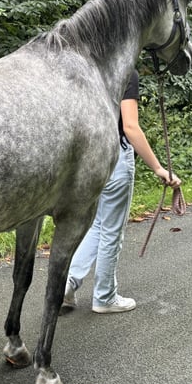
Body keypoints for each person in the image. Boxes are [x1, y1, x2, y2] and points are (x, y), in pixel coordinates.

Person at [64, 69, 181, 313]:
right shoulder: (125, 72)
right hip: (115, 156)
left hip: (87, 158)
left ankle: (67, 284)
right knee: (112, 231)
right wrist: (158, 168)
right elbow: (130, 126)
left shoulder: (89, 67)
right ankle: (105, 297)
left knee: (96, 224)